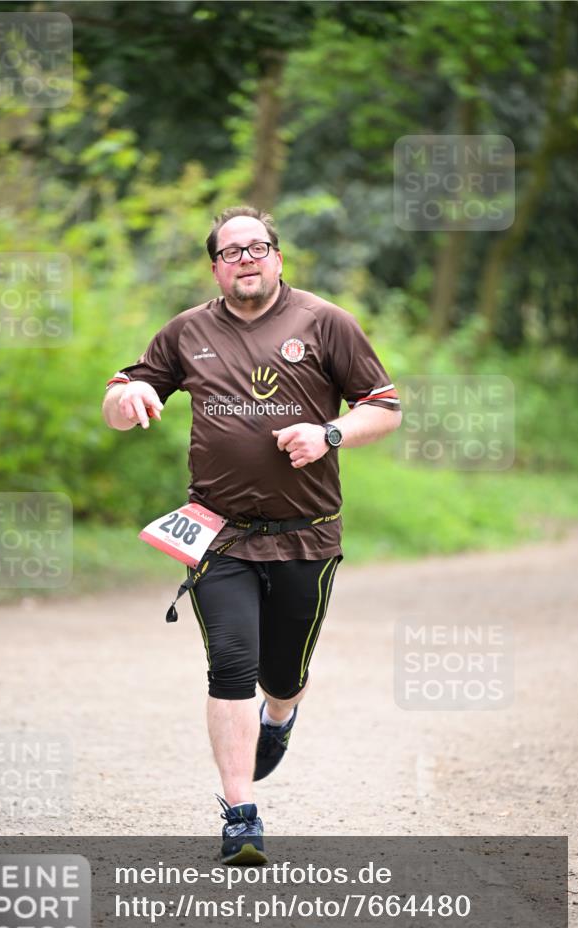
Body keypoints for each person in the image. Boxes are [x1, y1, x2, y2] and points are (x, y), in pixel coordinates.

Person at [102, 206, 401, 864]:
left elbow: (383, 407)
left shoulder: (325, 323)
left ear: (277, 258)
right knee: (230, 664)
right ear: (215, 267)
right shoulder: (185, 332)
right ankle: (240, 814)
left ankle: (280, 714)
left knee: (283, 673)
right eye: (230, 251)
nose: (245, 258)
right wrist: (125, 402)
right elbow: (121, 395)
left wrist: (328, 434)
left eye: (256, 248)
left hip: (308, 533)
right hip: (217, 533)